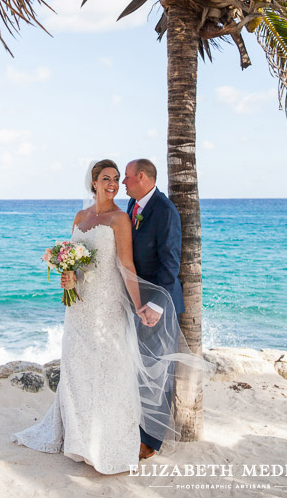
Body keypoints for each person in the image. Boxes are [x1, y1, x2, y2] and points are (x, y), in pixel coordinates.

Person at [12, 159, 190, 474]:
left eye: (118, 178)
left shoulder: (122, 218)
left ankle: (119, 441)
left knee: (112, 370)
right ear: (93, 182)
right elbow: (76, 263)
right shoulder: (80, 217)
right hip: (79, 306)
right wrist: (68, 277)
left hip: (108, 304)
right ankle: (79, 440)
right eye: (107, 178)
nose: (114, 184)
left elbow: (127, 265)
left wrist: (138, 305)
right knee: (78, 368)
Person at [123, 158, 184, 460]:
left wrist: (157, 305)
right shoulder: (133, 207)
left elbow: (171, 263)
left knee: (158, 371)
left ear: (143, 177)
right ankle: (136, 428)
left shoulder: (165, 210)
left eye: (127, 178)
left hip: (159, 305)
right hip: (138, 302)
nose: (123, 183)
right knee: (139, 368)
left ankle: (151, 441)